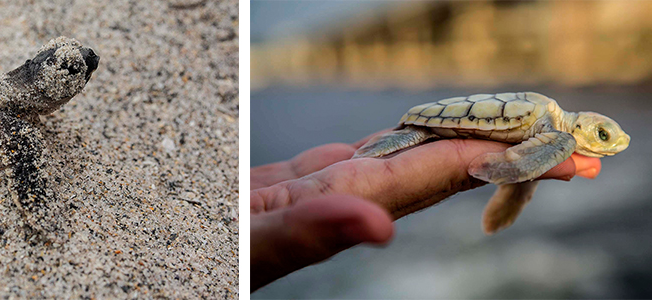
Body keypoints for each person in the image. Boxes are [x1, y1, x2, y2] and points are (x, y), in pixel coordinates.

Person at [249, 130, 602, 290]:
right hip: (443, 119)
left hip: (450, 114)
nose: (607, 144)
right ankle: (410, 134)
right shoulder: (561, 134)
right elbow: (539, 150)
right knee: (417, 136)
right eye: (601, 135)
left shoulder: (555, 130)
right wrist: (510, 169)